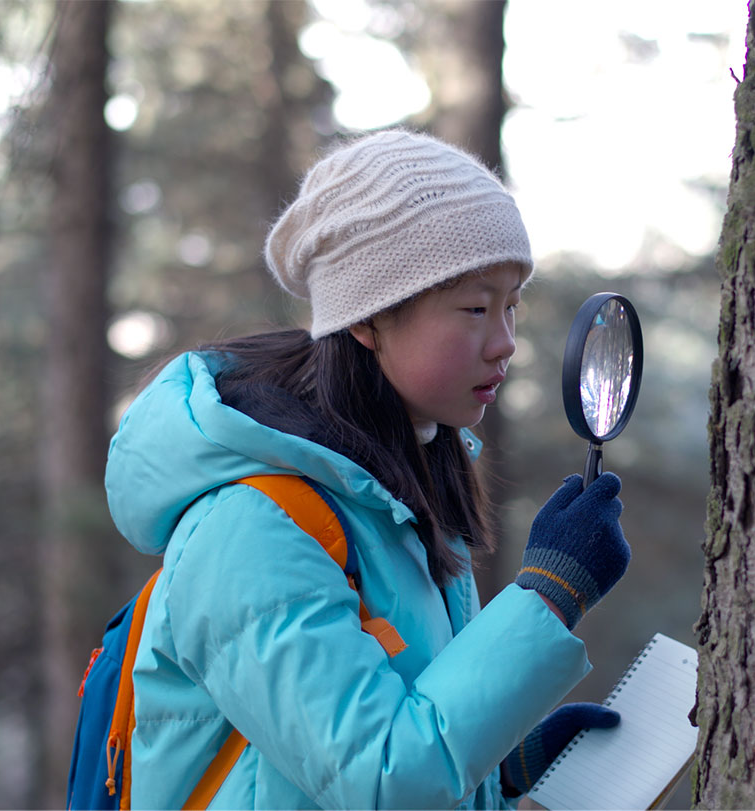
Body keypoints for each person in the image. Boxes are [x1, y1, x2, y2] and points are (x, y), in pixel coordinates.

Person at [104, 130, 631, 809]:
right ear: (369, 319)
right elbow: (383, 778)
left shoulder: (394, 507)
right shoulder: (251, 528)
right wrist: (548, 596)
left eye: (512, 305)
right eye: (475, 307)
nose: (505, 342)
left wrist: (498, 775)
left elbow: (390, 739)